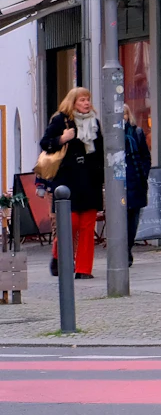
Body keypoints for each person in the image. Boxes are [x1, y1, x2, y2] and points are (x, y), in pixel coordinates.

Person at [40, 86, 106, 279]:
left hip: (90, 180)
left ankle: (84, 269)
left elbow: (100, 150)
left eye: (88, 99)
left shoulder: (94, 122)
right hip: (67, 181)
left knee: (87, 226)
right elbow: (45, 143)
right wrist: (62, 138)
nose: (86, 103)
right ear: (73, 102)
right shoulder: (61, 120)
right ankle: (59, 255)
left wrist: (102, 178)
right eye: (82, 100)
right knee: (70, 224)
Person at [123, 114, 152, 262]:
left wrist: (144, 173)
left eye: (124, 113)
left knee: (133, 220)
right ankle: (122, 251)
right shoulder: (109, 135)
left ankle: (127, 248)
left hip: (136, 182)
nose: (122, 117)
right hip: (119, 184)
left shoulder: (137, 133)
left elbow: (145, 156)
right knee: (121, 219)